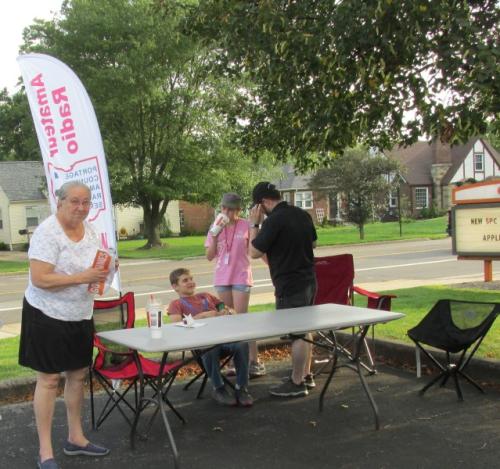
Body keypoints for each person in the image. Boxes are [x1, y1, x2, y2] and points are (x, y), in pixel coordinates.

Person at [18, 181, 112, 469]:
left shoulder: (92, 231)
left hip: (79, 314)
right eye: (74, 201)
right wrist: (82, 277)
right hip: (45, 314)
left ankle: (76, 438)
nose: (81, 208)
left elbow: (93, 272)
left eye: (86, 202)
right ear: (59, 202)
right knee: (48, 380)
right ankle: (45, 453)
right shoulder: (48, 232)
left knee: (78, 375)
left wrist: (104, 274)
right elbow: (41, 279)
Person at [249, 181, 318, 398]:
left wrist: (255, 224)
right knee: (306, 329)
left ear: (263, 203)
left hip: (289, 283)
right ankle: (306, 374)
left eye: (257, 208)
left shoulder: (273, 221)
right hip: (309, 280)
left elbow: (253, 252)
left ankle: (297, 383)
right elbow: (313, 244)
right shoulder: (302, 214)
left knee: (296, 333)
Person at [167, 268, 253, 407]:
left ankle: (241, 387)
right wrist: (202, 317)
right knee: (209, 348)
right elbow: (176, 326)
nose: (190, 282)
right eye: (185, 280)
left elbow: (229, 310)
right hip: (202, 344)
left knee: (242, 344)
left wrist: (227, 312)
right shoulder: (176, 304)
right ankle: (219, 388)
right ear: (175, 286)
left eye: (191, 279)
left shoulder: (206, 296)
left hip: (223, 339)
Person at [205, 192, 266, 378]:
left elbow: (254, 250)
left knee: (242, 318)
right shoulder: (215, 226)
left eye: (230, 209)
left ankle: (253, 361)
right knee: (227, 318)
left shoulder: (246, 225)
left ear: (238, 210)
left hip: (241, 276)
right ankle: (234, 361)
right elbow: (209, 256)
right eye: (224, 208)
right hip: (222, 278)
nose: (226, 212)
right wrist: (215, 234)